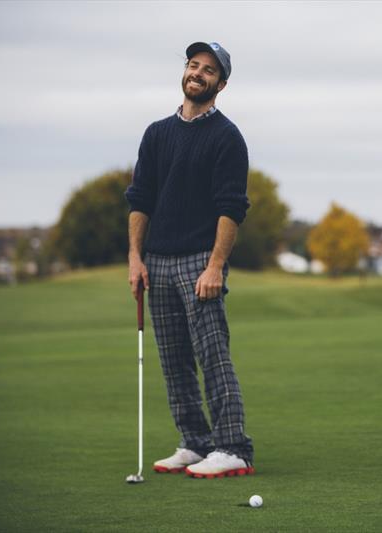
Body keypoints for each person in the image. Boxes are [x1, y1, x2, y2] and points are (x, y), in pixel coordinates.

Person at [125, 41, 254, 478]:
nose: (198, 73)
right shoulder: (157, 133)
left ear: (222, 83)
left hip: (201, 259)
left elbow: (231, 207)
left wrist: (215, 265)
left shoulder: (227, 138)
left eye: (209, 69)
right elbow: (140, 199)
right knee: (173, 358)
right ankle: (195, 443)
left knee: (212, 355)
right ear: (185, 72)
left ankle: (233, 447)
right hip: (156, 261)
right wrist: (135, 257)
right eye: (193, 65)